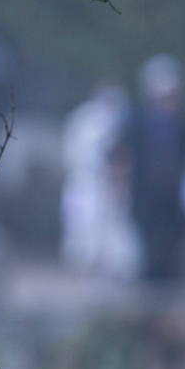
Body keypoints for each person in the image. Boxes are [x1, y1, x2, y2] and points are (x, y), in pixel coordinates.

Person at [118, 55, 185, 281]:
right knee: (147, 241)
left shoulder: (183, 122)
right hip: (145, 191)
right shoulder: (136, 121)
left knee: (173, 241)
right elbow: (125, 154)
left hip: (174, 192)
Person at [60, 80, 140, 279]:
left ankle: (108, 272)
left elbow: (120, 155)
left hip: (108, 182)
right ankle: (81, 270)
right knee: (82, 226)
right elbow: (72, 153)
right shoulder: (82, 119)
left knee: (111, 228)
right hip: (84, 180)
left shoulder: (118, 119)